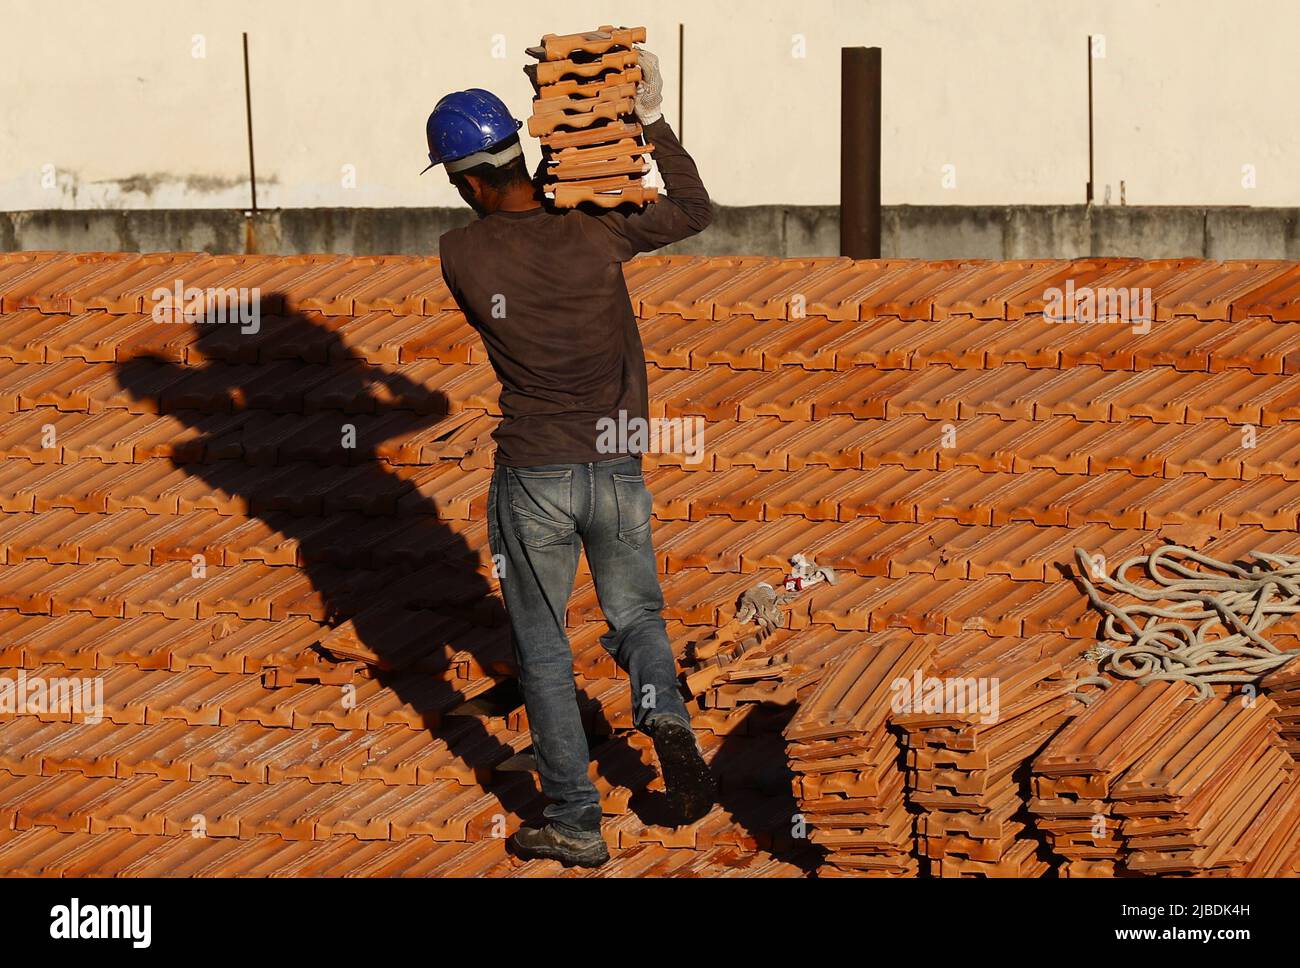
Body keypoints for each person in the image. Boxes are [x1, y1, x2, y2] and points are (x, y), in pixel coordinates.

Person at [424, 49, 715, 868]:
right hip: (616, 463)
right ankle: (664, 716)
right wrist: (643, 122)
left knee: (545, 647)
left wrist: (560, 171)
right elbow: (694, 209)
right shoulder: (597, 224)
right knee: (638, 621)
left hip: (533, 475)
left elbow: (515, 233)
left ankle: (575, 821)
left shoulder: (462, 255)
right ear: (520, 147)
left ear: (467, 181)